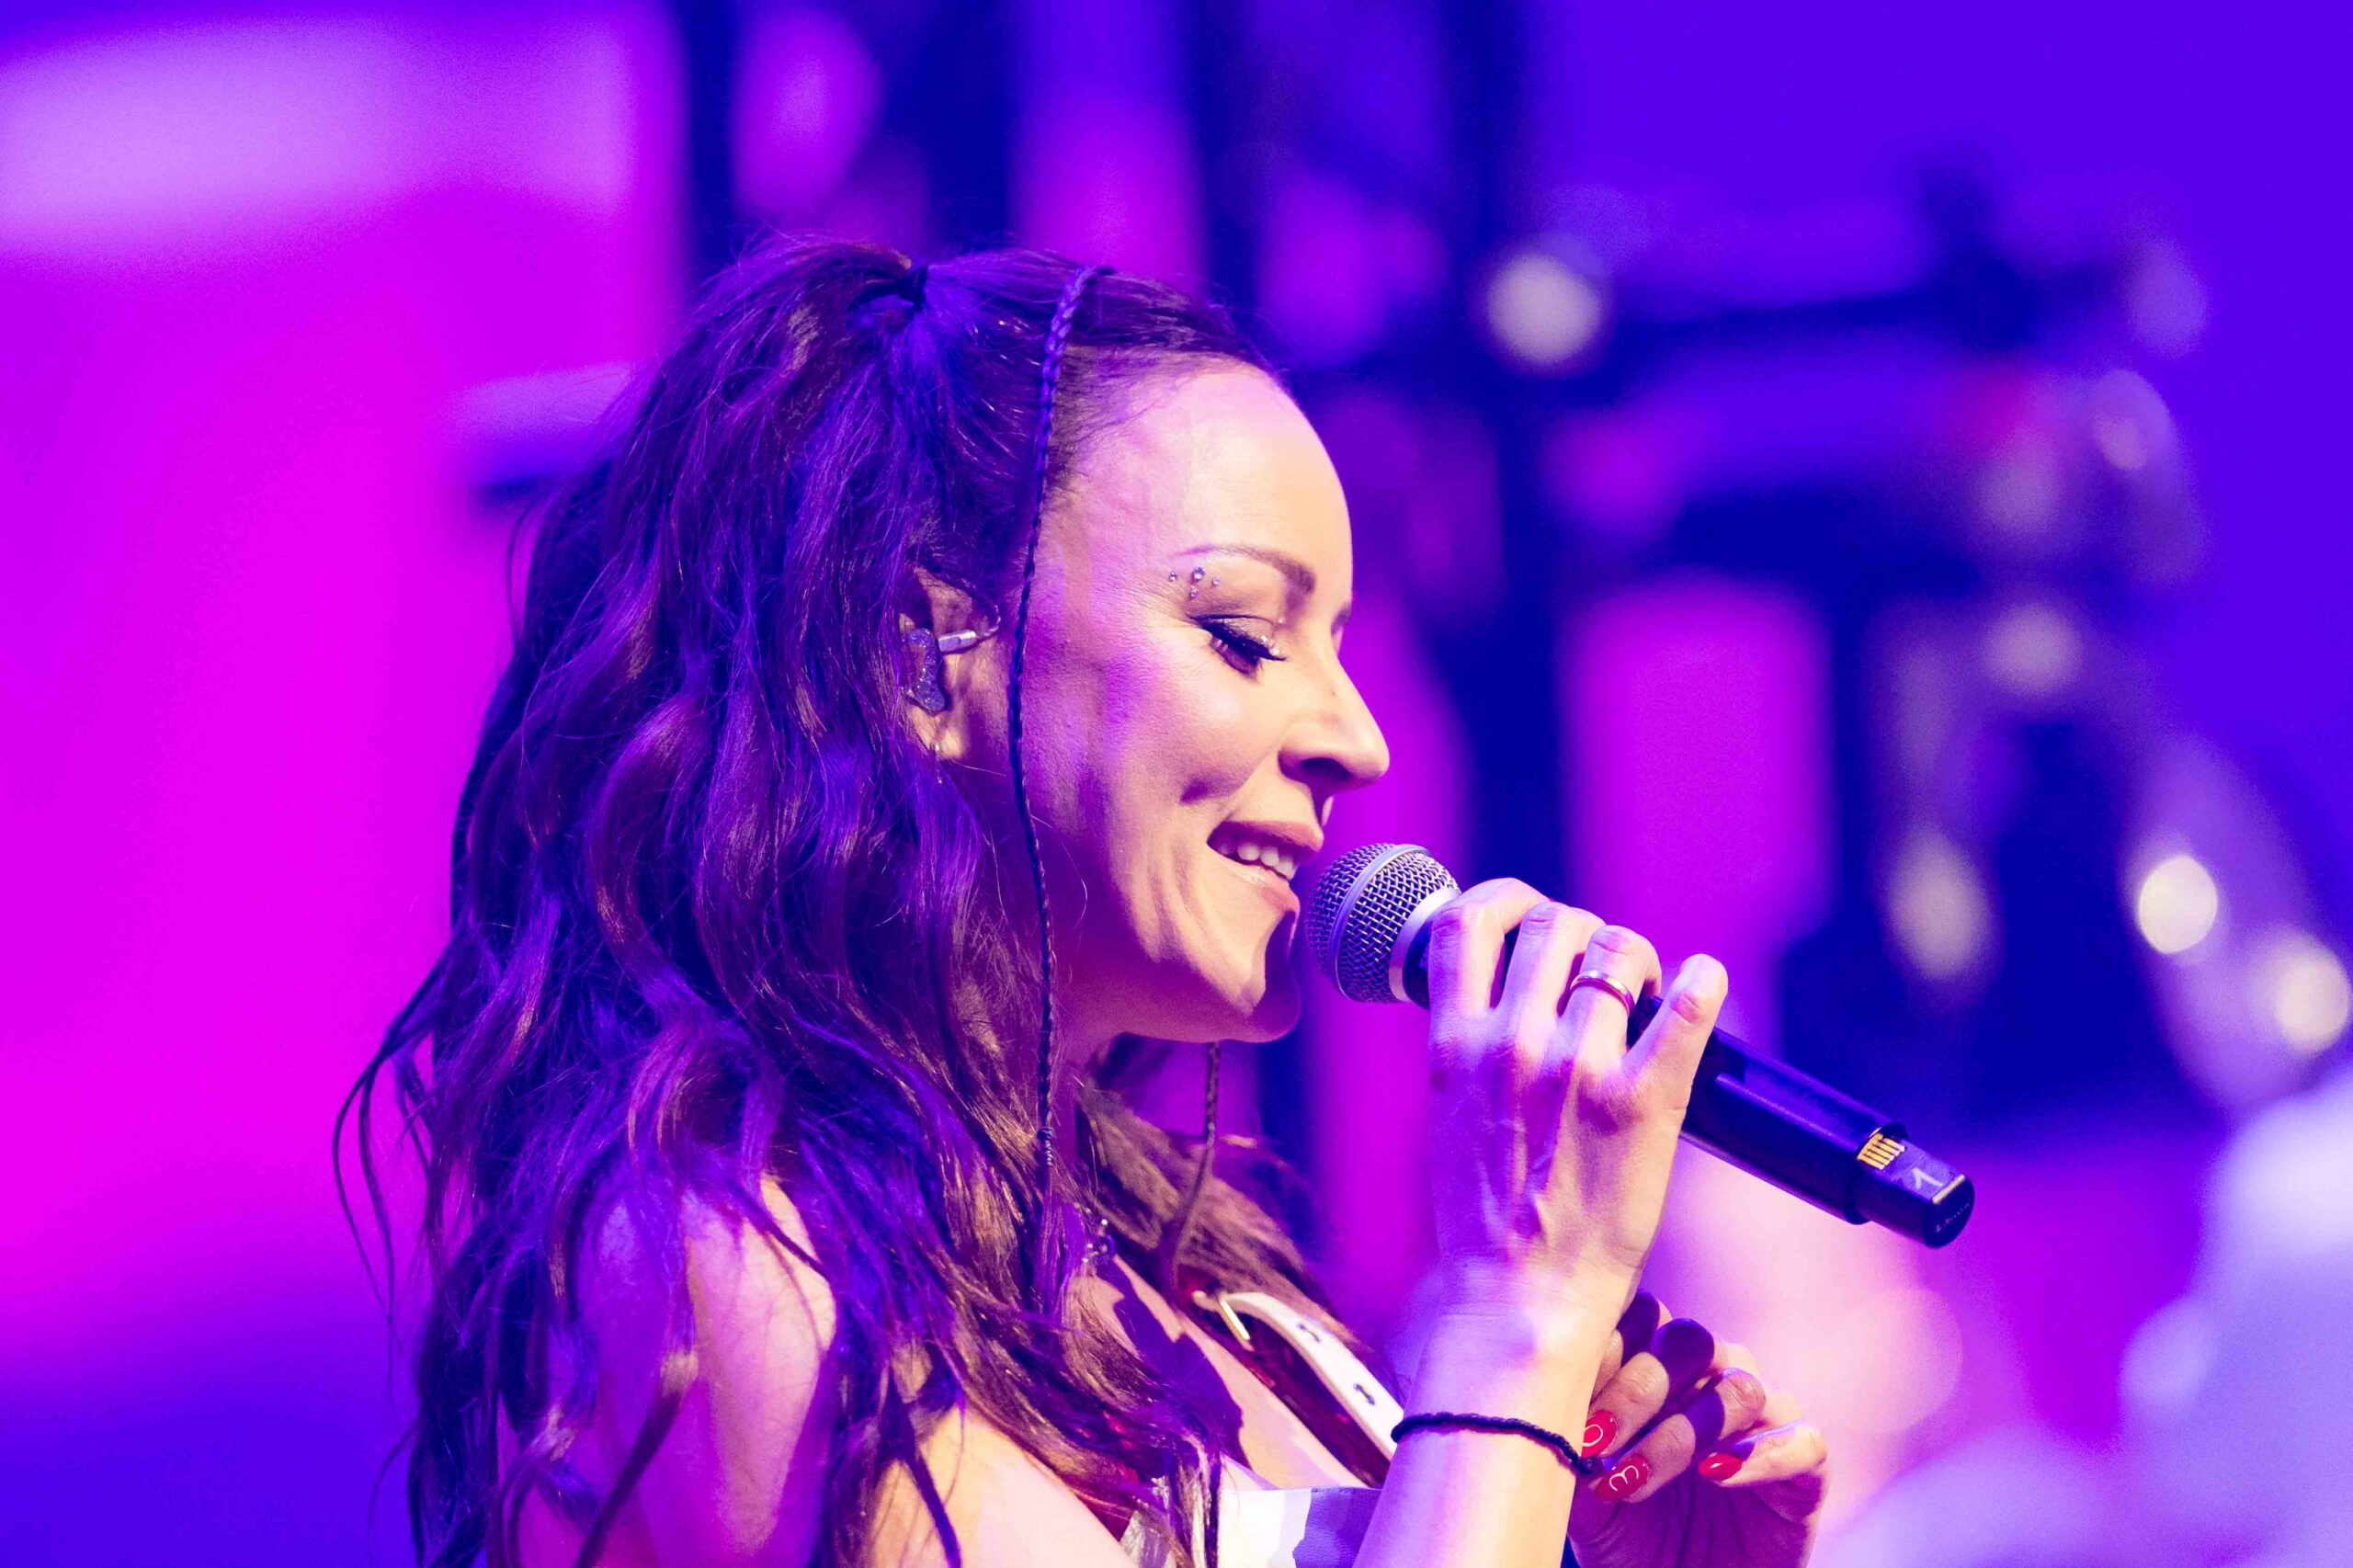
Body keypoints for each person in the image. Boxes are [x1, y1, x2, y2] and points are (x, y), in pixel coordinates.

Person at [346, 237, 1830, 1568]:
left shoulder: (1212, 1295)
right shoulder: (737, 1241)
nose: (1357, 738)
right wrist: (1513, 1317)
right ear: (925, 655)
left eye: (1339, 644)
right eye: (1243, 634)